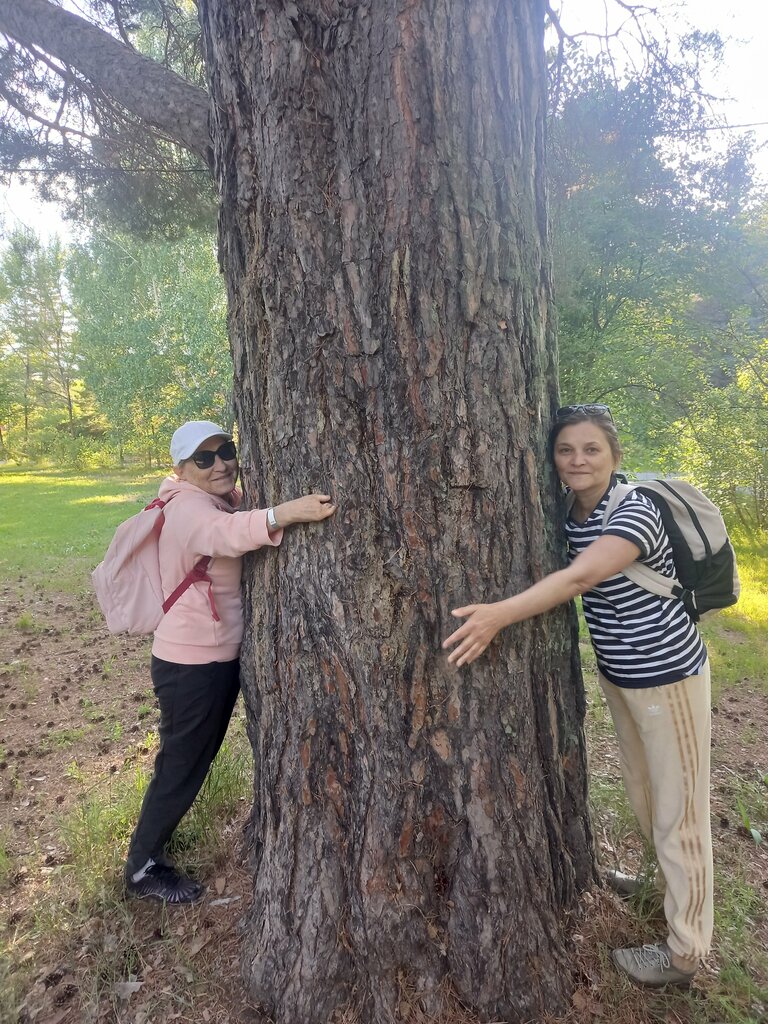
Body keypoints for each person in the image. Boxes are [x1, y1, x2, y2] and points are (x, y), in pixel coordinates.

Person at [442, 404, 712, 990]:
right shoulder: (567, 509)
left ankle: (685, 952)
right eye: (566, 450)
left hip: (669, 677)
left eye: (591, 449)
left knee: (680, 812)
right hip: (623, 676)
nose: (577, 460)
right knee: (646, 796)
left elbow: (580, 578)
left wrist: (497, 616)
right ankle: (664, 888)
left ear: (615, 455)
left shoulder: (635, 510)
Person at [125, 420, 336, 903]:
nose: (220, 464)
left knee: (191, 760)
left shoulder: (214, 497)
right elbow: (224, 535)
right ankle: (141, 867)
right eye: (204, 458)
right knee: (181, 763)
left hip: (211, 658)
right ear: (181, 469)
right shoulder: (187, 508)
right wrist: (287, 512)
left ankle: (151, 847)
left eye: (226, 451)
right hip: (190, 665)